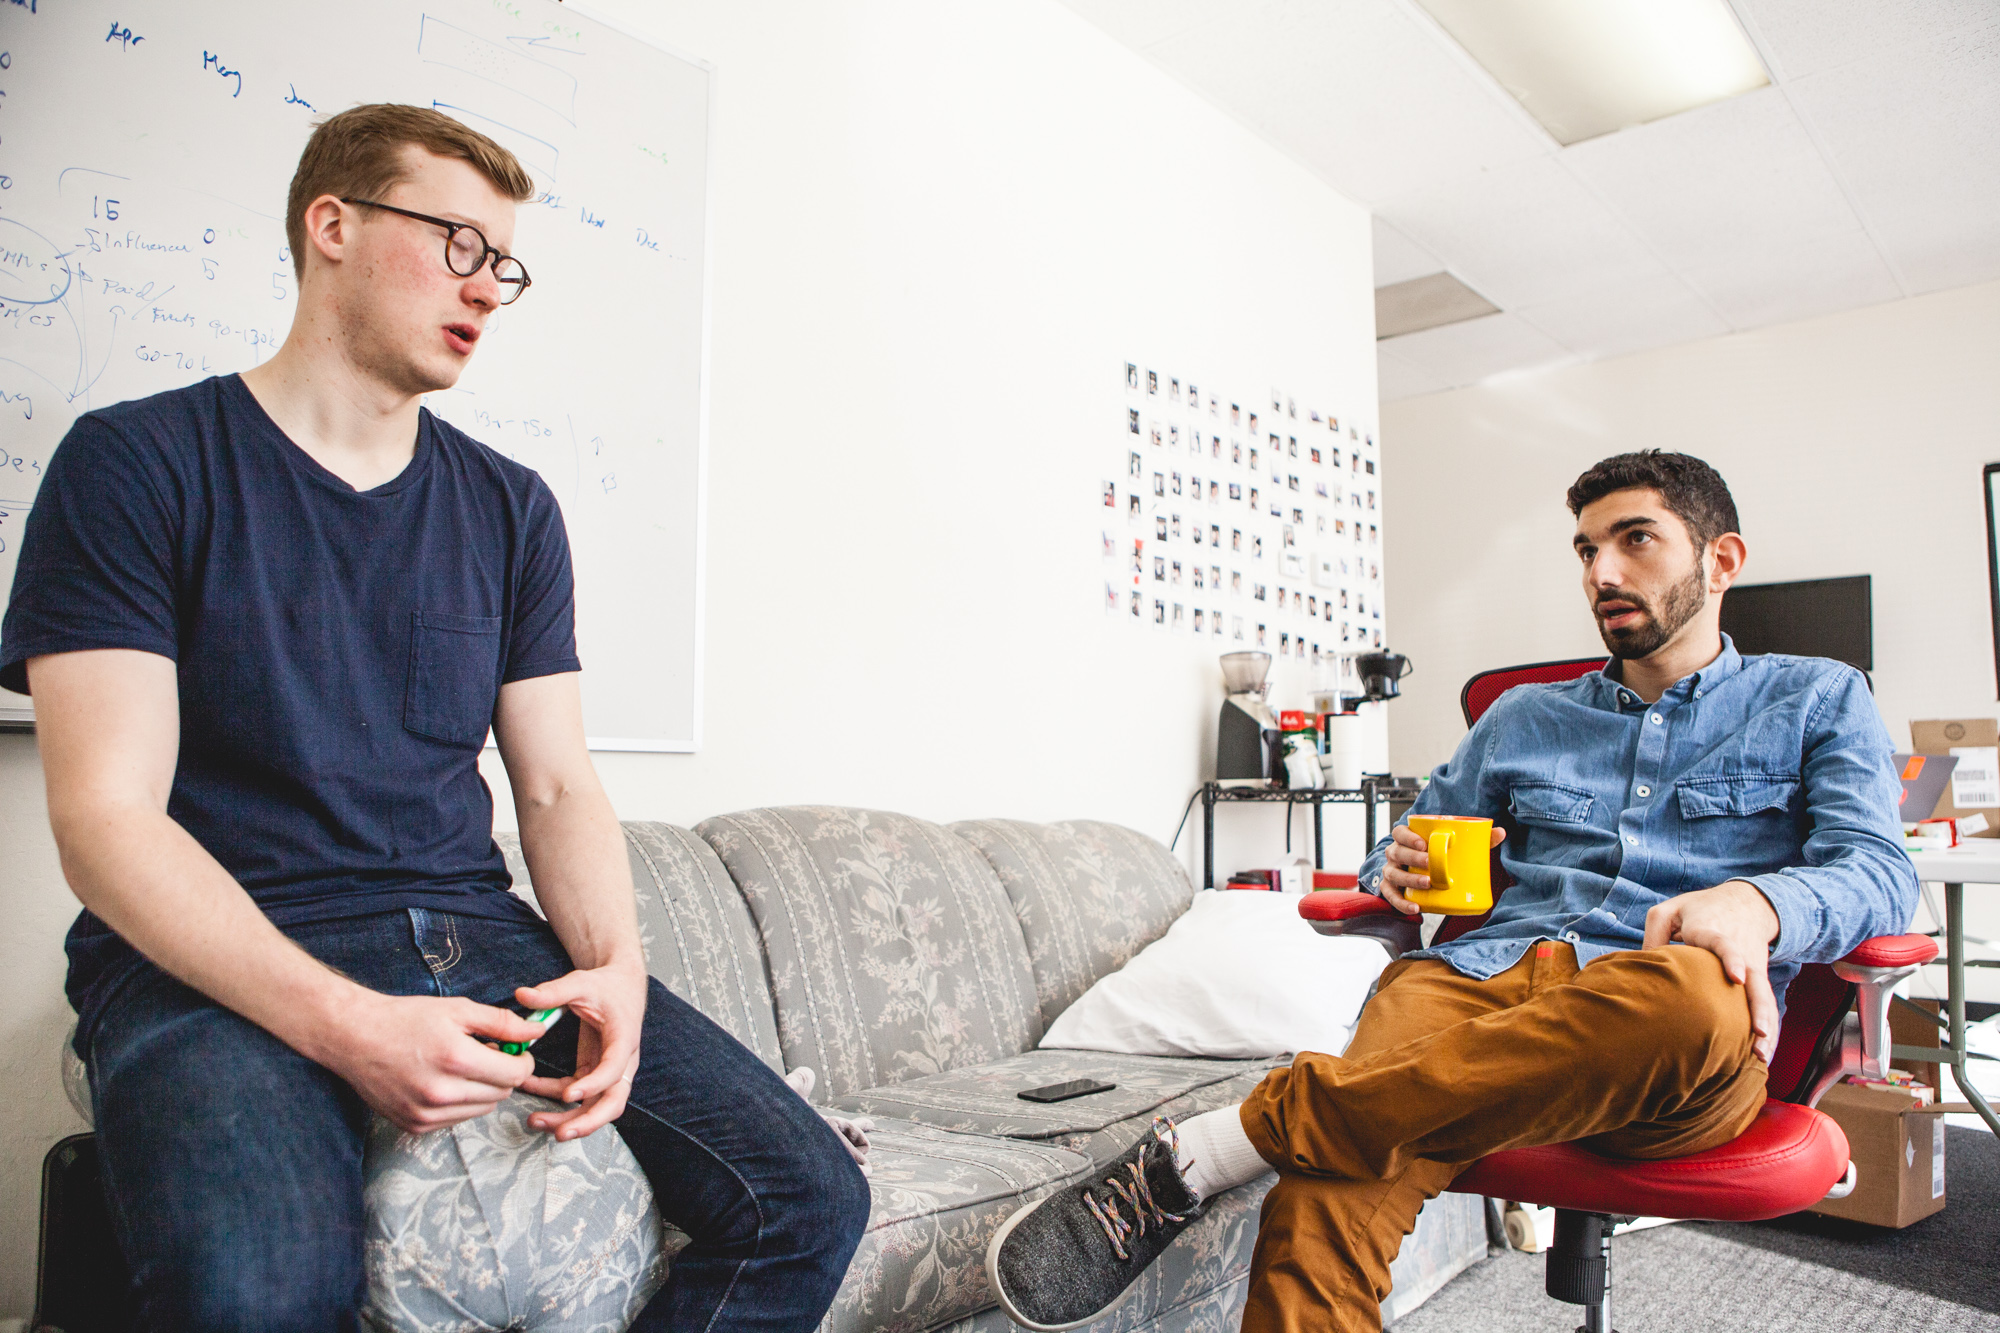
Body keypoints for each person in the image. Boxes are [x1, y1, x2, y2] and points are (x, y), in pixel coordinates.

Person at [1, 104, 869, 1332]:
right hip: (223, 950)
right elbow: (105, 817)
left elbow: (555, 785)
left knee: (808, 1196)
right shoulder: (136, 462)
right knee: (256, 1293)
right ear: (332, 226)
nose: (485, 288)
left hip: (473, 936)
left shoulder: (512, 508)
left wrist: (615, 969)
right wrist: (348, 1024)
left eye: (501, 264)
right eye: (457, 243)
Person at [986, 450, 1915, 1332]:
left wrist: (1760, 904)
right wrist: (1392, 867)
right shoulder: (1525, 716)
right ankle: (1267, 1139)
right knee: (1321, 1196)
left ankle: (1230, 1139)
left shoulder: (1816, 697)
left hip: (1663, 1025)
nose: (1601, 572)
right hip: (1476, 980)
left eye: (1635, 539)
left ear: (1722, 560)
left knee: (1691, 995)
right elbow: (1405, 845)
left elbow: (1880, 871)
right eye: (1586, 549)